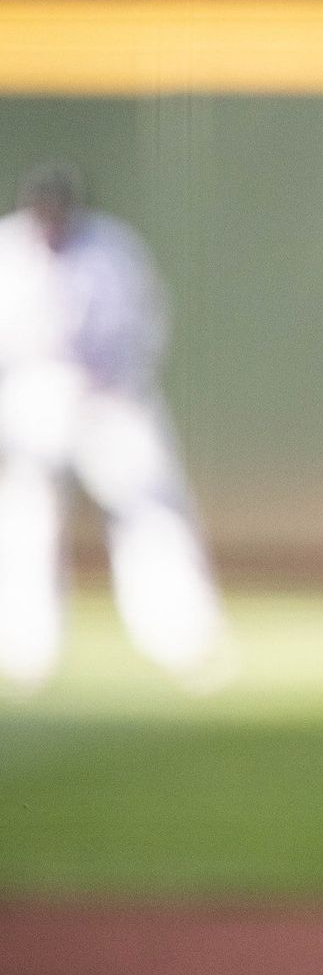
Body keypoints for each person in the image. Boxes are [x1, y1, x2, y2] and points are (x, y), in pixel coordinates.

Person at [0, 162, 228, 692]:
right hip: (38, 393)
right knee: (26, 522)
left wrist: (115, 382)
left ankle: (183, 639)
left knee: (153, 512)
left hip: (111, 395)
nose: (50, 220)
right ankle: (23, 650)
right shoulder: (9, 250)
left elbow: (145, 322)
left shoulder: (112, 249)